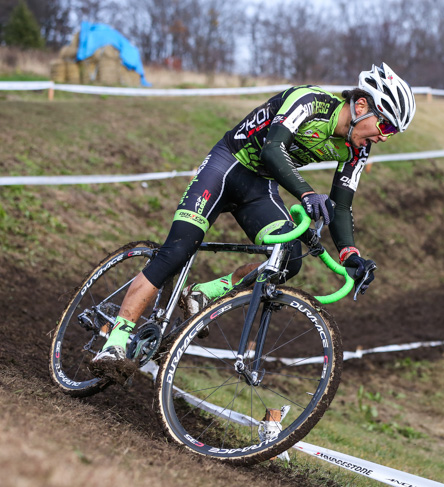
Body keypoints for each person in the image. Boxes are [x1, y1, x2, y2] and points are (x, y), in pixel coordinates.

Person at [91, 62, 417, 365]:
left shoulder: (359, 147)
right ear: (361, 106)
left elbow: (342, 205)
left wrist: (351, 256)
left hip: (259, 187)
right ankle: (115, 342)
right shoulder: (310, 102)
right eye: (385, 124)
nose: (383, 136)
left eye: (392, 132)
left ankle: (205, 293)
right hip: (226, 166)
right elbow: (273, 149)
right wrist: (305, 193)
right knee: (179, 248)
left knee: (288, 259)